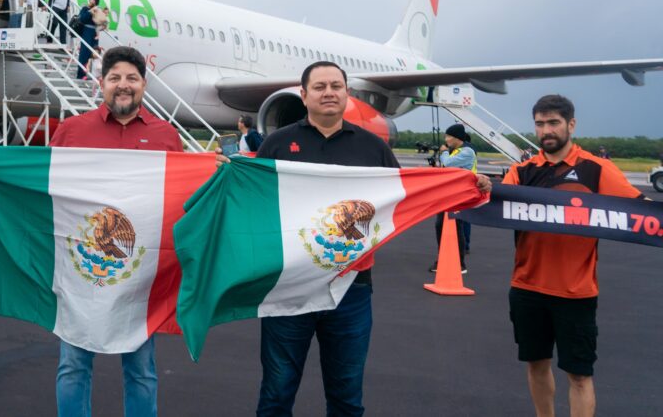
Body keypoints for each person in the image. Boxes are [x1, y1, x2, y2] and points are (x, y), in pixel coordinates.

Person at [219, 62, 492, 417]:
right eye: (319, 86)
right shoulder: (278, 143)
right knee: (276, 392)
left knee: (347, 396)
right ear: (304, 95)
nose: (329, 92)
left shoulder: (371, 147)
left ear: (347, 93)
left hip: (352, 289)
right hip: (288, 287)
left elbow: (409, 192)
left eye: (336, 85)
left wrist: (467, 187)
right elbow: (252, 197)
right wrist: (227, 174)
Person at [50, 46, 182, 417]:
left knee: (141, 370)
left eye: (131, 78)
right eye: (114, 78)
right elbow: (45, 189)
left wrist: (211, 170)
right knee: (73, 366)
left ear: (143, 84)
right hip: (81, 274)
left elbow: (181, 194)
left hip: (137, 278)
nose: (123, 86)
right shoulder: (71, 131)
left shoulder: (166, 136)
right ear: (101, 83)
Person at [503, 94, 646, 417]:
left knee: (580, 375)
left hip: (575, 292)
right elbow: (491, 202)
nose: (546, 131)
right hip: (526, 288)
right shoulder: (522, 171)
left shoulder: (597, 170)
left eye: (553, 123)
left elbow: (643, 213)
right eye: (540, 124)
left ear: (571, 124)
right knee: (536, 364)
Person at [429, 123, 476, 273]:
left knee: (456, 227)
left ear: (457, 138)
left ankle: (460, 263)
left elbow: (448, 163)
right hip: (448, 194)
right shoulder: (455, 151)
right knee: (440, 226)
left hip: (459, 195)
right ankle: (443, 258)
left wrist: (443, 152)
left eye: (448, 136)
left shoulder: (467, 152)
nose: (446, 139)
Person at [75, 0, 102, 79]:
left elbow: (100, 21)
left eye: (94, 1)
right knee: (84, 53)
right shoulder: (85, 9)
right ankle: (81, 74)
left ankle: (91, 74)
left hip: (94, 33)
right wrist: (90, 12)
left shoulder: (97, 10)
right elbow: (82, 19)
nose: (92, 2)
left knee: (94, 53)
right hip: (87, 31)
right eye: (92, 0)